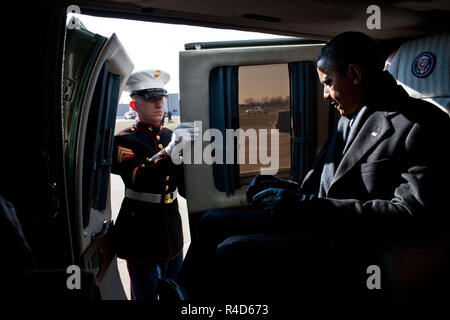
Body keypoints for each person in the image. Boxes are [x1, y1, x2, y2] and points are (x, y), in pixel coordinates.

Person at [177, 32, 450, 300]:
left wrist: (307, 206)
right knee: (212, 220)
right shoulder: (350, 116)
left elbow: (409, 216)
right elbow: (321, 184)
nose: (324, 95)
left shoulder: (421, 124)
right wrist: (280, 188)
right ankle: (180, 293)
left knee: (234, 250)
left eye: (328, 82)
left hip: (351, 242)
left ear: (354, 74)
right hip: (316, 220)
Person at [111, 69, 198, 300]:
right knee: (145, 294)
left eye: (161, 99)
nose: (159, 105)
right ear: (134, 105)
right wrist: (169, 151)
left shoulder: (172, 135)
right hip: (142, 231)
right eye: (151, 99)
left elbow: (185, 182)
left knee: (175, 292)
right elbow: (138, 176)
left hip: (171, 227)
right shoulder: (124, 140)